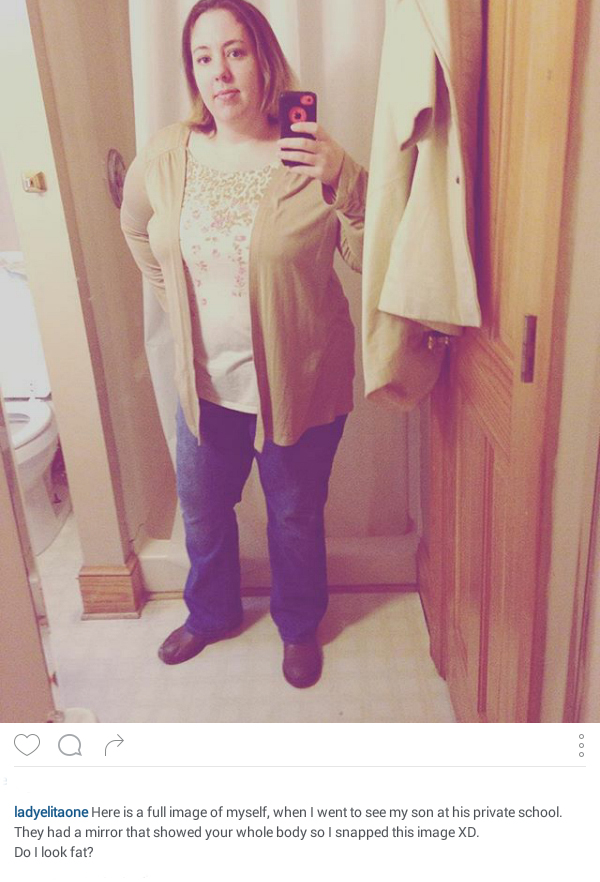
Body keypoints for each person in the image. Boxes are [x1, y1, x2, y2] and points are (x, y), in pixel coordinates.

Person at [120, 0, 367, 688]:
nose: (220, 73)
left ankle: (298, 625)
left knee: (293, 515)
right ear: (191, 72)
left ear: (263, 58)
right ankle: (211, 613)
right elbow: (136, 228)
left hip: (299, 380)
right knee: (202, 510)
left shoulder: (307, 157)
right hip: (204, 384)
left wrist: (344, 176)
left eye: (235, 52)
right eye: (203, 58)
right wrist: (175, 306)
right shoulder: (167, 154)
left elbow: (369, 254)